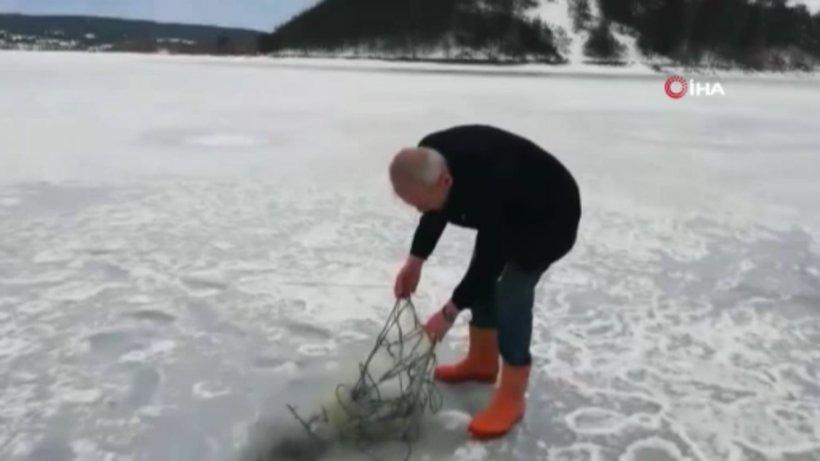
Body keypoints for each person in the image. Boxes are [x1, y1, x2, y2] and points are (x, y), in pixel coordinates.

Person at [389, 124, 581, 440]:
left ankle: (511, 396)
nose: (420, 210)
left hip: (550, 215)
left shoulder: (488, 182)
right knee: (482, 274)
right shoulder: (429, 157)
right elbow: (434, 211)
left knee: (510, 292)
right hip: (509, 206)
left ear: (446, 181)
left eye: (421, 203)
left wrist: (448, 314)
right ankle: (481, 361)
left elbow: (492, 258)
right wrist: (415, 261)